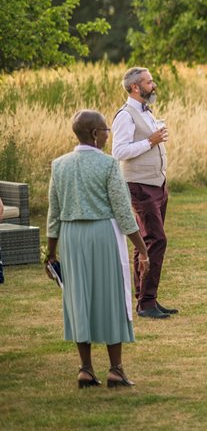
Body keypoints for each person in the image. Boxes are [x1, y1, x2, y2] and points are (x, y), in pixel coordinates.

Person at [45, 110, 151, 388]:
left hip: (71, 237)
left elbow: (53, 214)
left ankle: (85, 369)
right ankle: (115, 369)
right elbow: (123, 214)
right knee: (111, 297)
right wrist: (142, 249)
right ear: (94, 134)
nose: (108, 134)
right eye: (106, 130)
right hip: (103, 234)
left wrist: (50, 253)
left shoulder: (59, 165)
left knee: (78, 299)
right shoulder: (108, 165)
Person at [111, 67, 174, 319]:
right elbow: (119, 152)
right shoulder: (125, 116)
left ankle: (148, 300)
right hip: (139, 186)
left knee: (146, 242)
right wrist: (151, 141)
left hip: (157, 184)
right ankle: (146, 303)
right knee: (156, 240)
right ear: (135, 87)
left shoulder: (146, 111)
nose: (154, 85)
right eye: (149, 82)